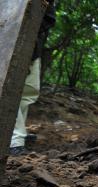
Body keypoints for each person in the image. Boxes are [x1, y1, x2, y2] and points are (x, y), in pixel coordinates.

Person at [10, 1, 56, 155]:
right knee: (8, 89)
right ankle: (14, 140)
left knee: (28, 92)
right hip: (10, 41)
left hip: (32, 46)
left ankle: (14, 131)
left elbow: (48, 19)